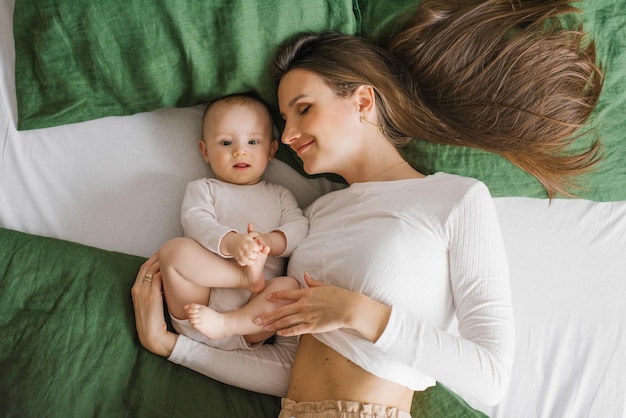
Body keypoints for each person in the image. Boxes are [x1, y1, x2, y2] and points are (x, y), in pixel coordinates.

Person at [132, 1, 601, 416]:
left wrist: (361, 313)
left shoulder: (456, 199)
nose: (289, 135)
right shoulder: (314, 214)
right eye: (284, 119)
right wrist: (171, 347)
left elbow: (491, 375)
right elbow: (286, 368)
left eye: (303, 109)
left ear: (361, 101)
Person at [157, 94, 308, 351]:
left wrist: (268, 241)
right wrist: (232, 242)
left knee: (289, 288)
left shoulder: (279, 195)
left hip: (250, 319)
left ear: (271, 150)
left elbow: (299, 228)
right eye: (226, 142)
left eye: (253, 141)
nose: (240, 150)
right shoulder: (203, 189)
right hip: (197, 305)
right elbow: (197, 222)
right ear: (205, 151)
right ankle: (242, 277)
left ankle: (228, 322)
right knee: (173, 251)